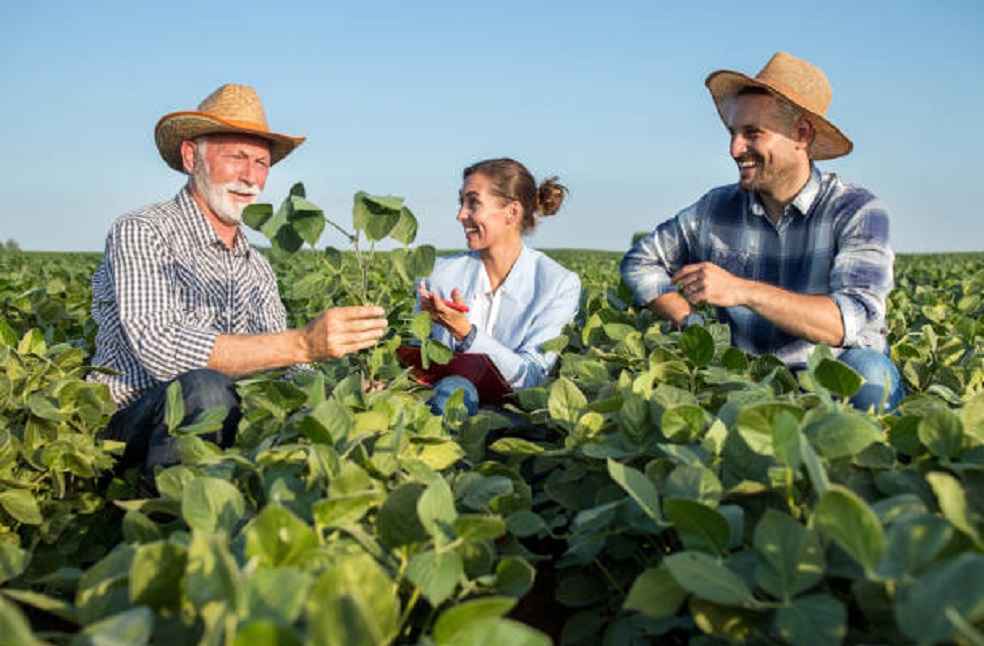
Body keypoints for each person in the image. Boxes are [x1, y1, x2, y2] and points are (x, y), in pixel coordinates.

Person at [89, 84, 388, 478]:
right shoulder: (143, 230)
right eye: (236, 158)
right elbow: (162, 348)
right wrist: (302, 342)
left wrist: (341, 393)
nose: (250, 177)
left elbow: (288, 368)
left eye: (262, 163)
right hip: (135, 424)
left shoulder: (256, 265)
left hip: (230, 417)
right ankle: (172, 524)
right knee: (204, 388)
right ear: (190, 156)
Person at [620, 52, 903, 412]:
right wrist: (686, 318)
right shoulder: (715, 208)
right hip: (746, 379)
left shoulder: (856, 210)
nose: (735, 149)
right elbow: (639, 262)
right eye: (733, 133)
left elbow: (844, 322)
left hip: (827, 376)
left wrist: (740, 290)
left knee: (871, 376)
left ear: (801, 134)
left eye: (752, 133)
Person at [418, 158, 581, 415]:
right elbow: (418, 357)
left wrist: (465, 333)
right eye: (461, 202)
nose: (460, 214)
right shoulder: (438, 274)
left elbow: (531, 376)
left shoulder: (557, 284)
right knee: (454, 390)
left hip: (518, 421)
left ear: (512, 212)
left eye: (473, 202)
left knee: (457, 389)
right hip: (441, 408)